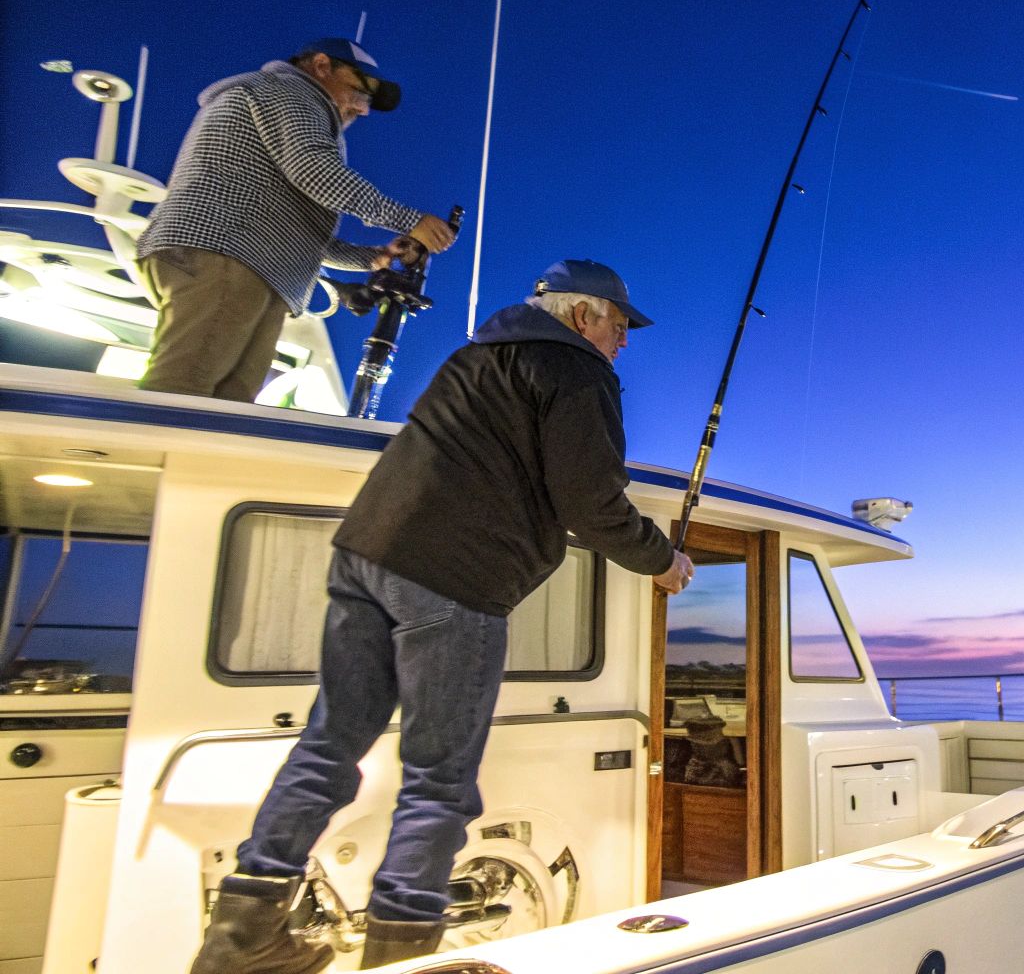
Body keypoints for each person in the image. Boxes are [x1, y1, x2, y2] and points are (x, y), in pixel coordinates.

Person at [189, 259, 694, 974]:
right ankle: (402, 955)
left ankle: (238, 937)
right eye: (618, 325)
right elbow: (591, 502)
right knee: (439, 781)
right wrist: (661, 560)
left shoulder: (472, 357)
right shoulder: (578, 373)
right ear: (584, 317)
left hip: (364, 554)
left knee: (329, 745)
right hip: (454, 579)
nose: (623, 341)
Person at [136, 37, 457, 402]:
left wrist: (373, 258)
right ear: (321, 66)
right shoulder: (292, 91)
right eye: (358, 90)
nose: (363, 109)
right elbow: (316, 171)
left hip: (248, 265)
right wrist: (410, 220)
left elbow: (300, 232)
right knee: (182, 393)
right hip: (226, 254)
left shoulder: (292, 107)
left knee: (228, 408)